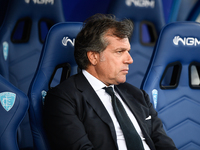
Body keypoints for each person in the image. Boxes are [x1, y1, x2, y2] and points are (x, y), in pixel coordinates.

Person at [43, 13, 177, 150]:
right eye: (120, 51)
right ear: (94, 57)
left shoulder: (138, 95)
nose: (130, 59)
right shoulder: (63, 98)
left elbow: (165, 144)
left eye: (128, 51)